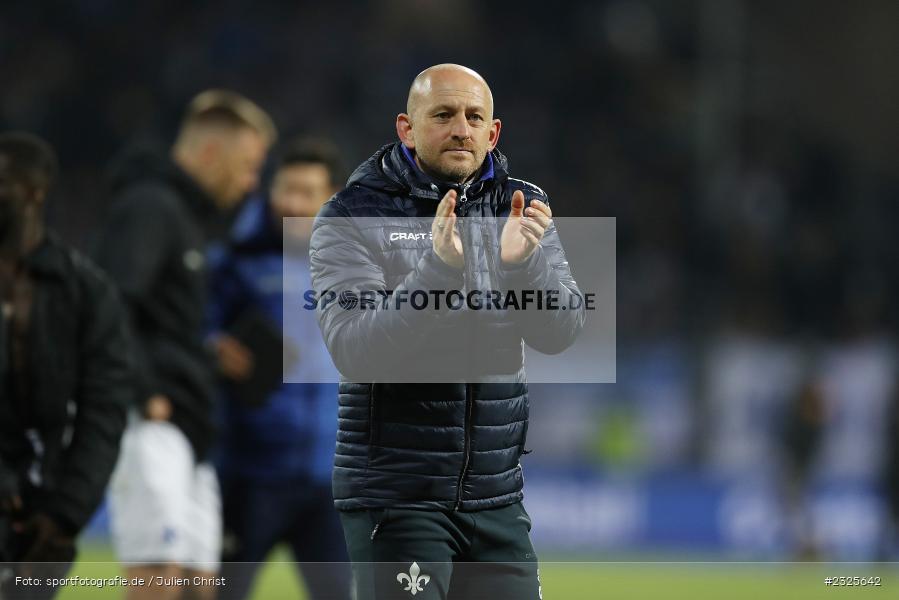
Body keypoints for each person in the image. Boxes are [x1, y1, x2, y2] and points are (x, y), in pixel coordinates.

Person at [309, 64, 585, 599]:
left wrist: (524, 266)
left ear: (493, 132)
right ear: (407, 129)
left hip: (497, 498)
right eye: (443, 115)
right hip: (398, 498)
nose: (461, 127)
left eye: (473, 116)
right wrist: (437, 270)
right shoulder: (349, 216)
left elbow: (561, 330)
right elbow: (355, 349)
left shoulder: (522, 207)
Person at [94, 91, 275, 600]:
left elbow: (160, 324)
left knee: (199, 584)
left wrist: (207, 355)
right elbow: (108, 305)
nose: (251, 183)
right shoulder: (150, 207)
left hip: (190, 424)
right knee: (158, 577)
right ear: (211, 153)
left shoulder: (188, 222)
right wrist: (145, 390)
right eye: (246, 166)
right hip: (152, 419)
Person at [207, 138, 350, 600]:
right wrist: (212, 346)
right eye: (283, 189)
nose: (291, 202)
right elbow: (187, 327)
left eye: (306, 192)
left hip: (327, 482)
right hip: (251, 475)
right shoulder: (236, 261)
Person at [0, 132, 131, 599]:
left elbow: (105, 408)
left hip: (44, 516)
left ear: (34, 193)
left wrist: (66, 516)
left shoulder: (86, 293)